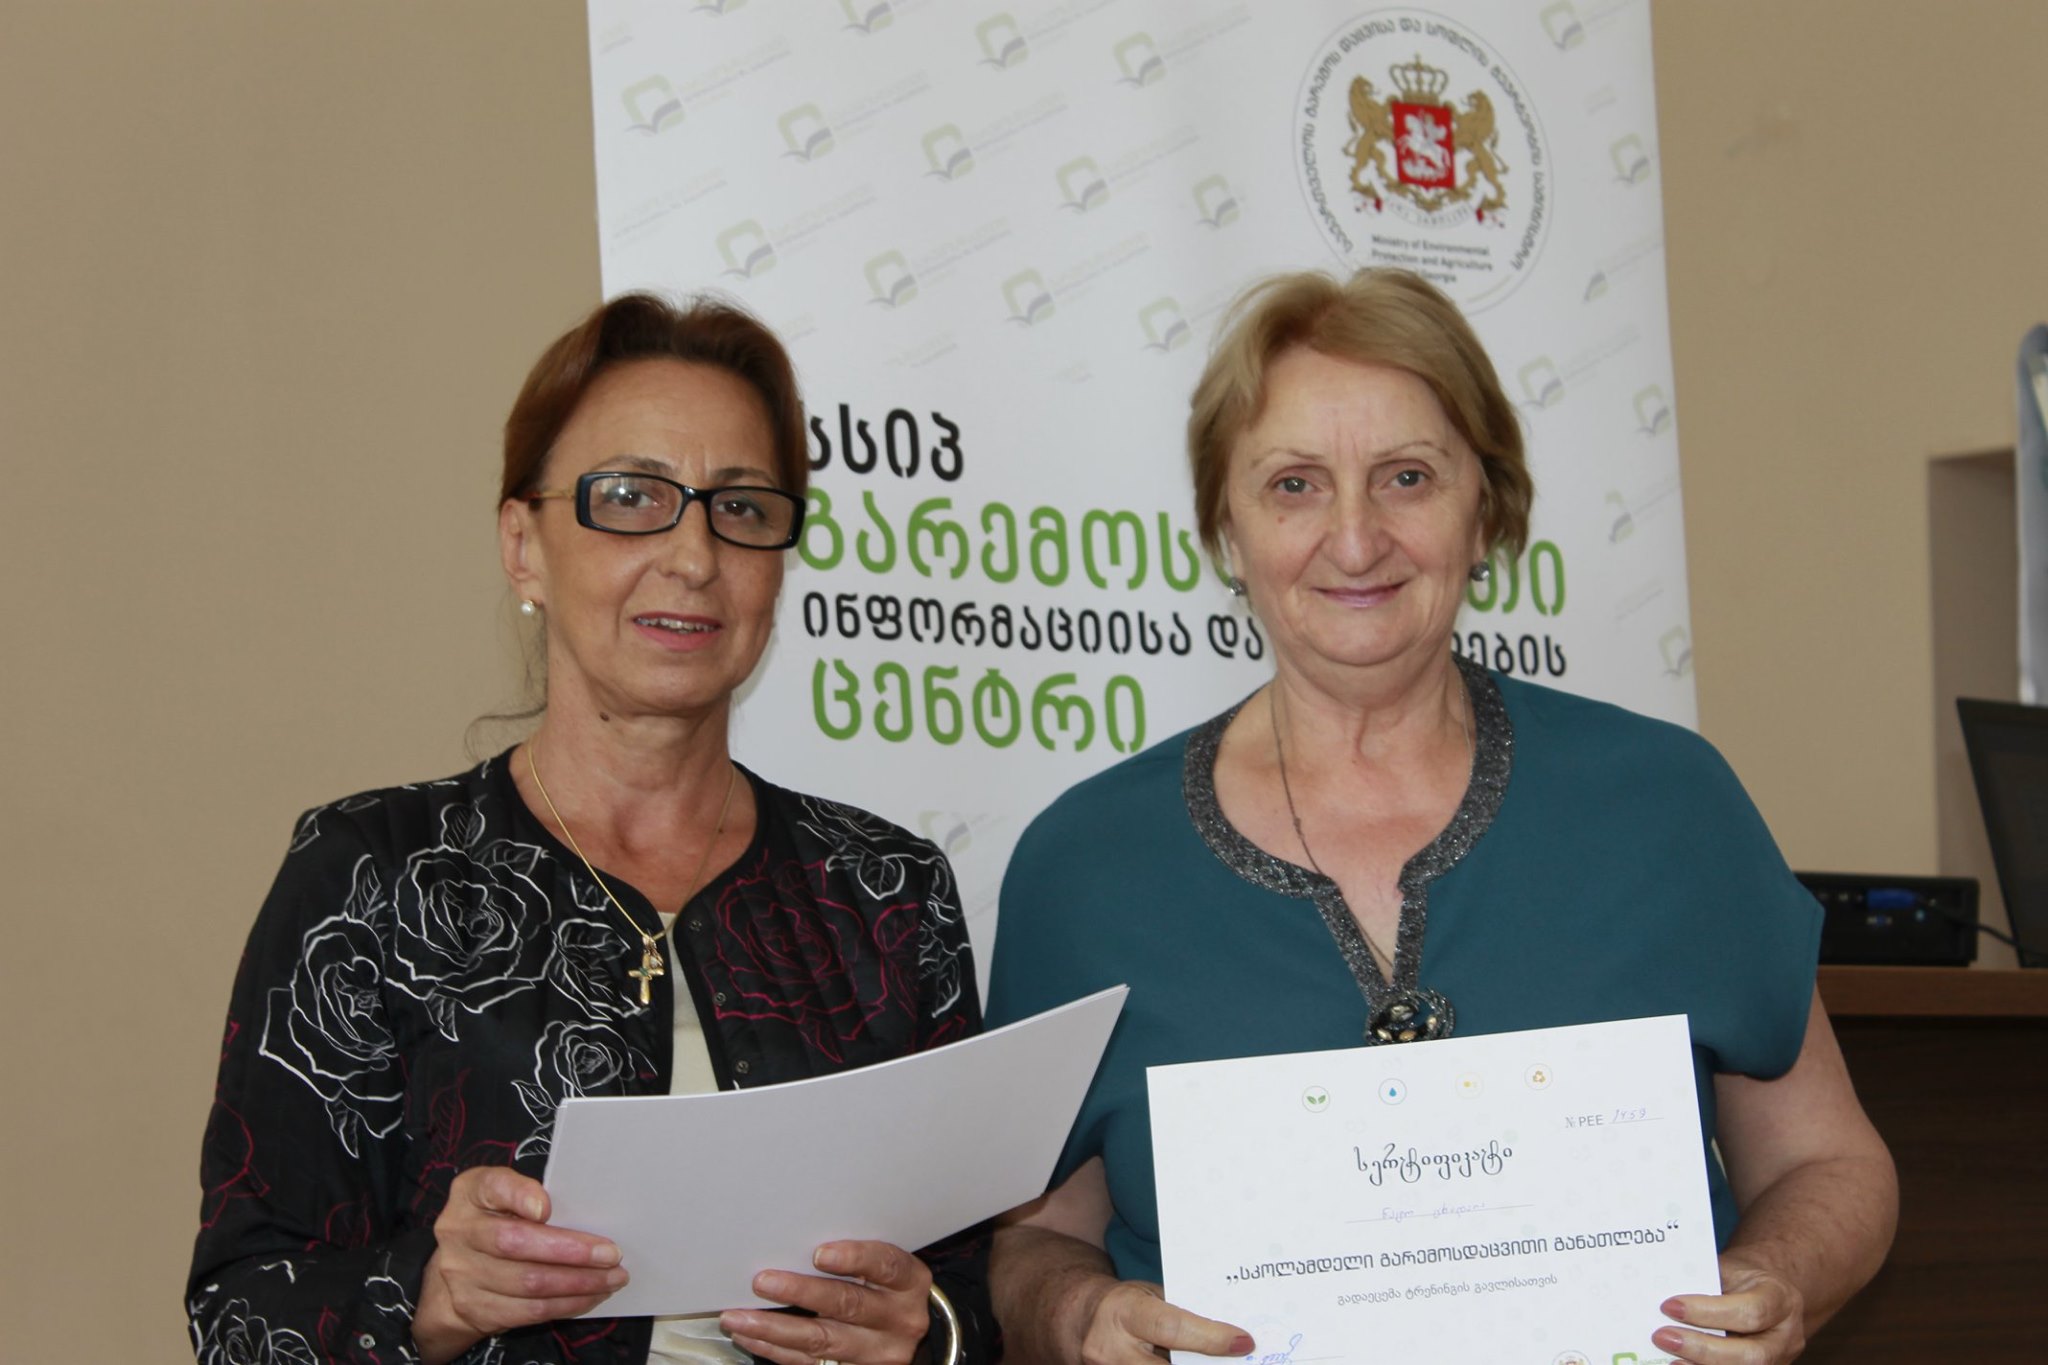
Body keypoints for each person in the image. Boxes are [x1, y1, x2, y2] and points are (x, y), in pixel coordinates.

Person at [982, 268, 1896, 1365]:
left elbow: (1825, 1163)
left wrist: (1776, 1278)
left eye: (1406, 477)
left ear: (1487, 507)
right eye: (1293, 485)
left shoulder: (1665, 801)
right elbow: (1035, 1235)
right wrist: (1076, 1315)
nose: (1354, 539)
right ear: (1226, 524)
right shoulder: (1084, 867)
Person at [188, 293, 989, 1365]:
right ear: (523, 545)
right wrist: (430, 1294)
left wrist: (924, 1337)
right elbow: (240, 1313)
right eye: (630, 497)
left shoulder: (885, 889)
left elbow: (973, 1293)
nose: (694, 554)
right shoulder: (369, 875)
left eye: (741, 508)